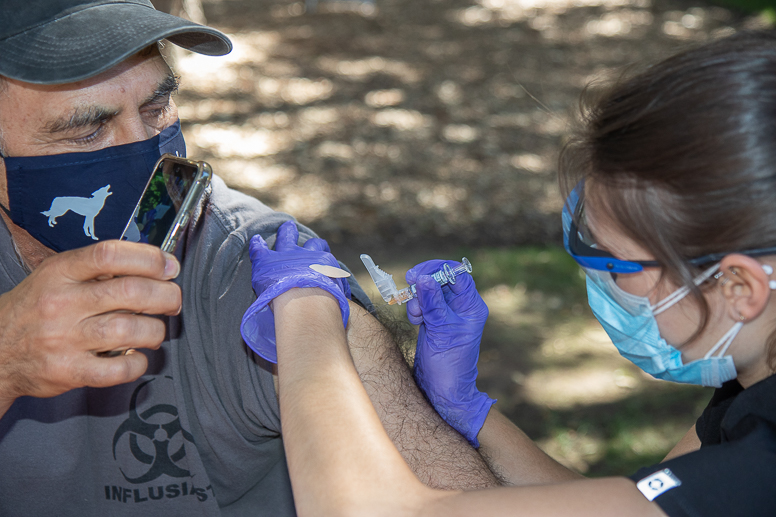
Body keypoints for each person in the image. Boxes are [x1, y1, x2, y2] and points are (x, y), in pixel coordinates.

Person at [0, 1, 500, 515]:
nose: (147, 154)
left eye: (156, 109)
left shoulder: (256, 266)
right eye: (88, 131)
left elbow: (448, 497)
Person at [249, 30, 776, 516]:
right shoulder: (749, 388)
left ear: (738, 287)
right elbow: (622, 501)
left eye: (613, 263)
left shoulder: (759, 467)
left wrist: (304, 312)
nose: (603, 287)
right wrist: (470, 412)